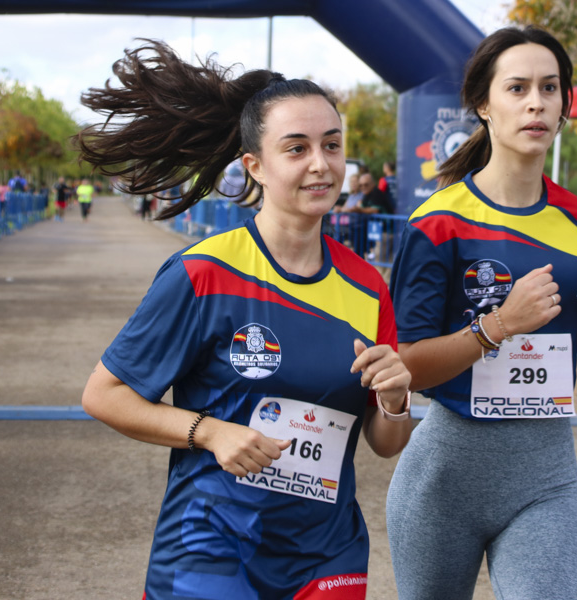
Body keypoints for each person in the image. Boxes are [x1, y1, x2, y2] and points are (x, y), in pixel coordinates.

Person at [76, 40, 413, 600]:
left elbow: (384, 443)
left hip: (326, 556)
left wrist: (396, 401)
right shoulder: (204, 272)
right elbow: (104, 394)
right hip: (211, 548)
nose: (320, 164)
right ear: (254, 165)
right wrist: (207, 432)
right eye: (297, 148)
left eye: (332, 146)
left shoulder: (368, 286)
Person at [386, 26, 577, 600]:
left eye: (550, 88)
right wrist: (497, 326)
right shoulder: (436, 221)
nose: (536, 102)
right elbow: (407, 367)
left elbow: (550, 322)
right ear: (482, 103)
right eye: (517, 88)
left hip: (545, 474)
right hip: (445, 477)